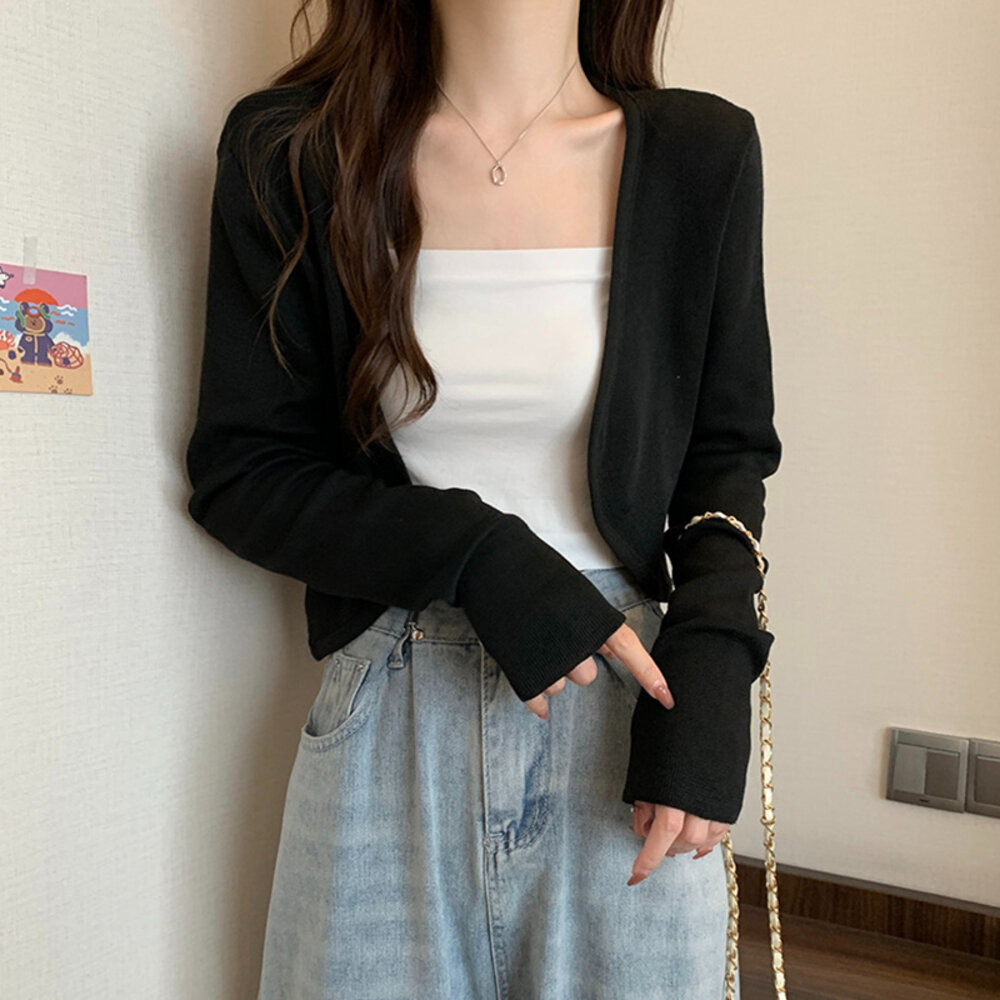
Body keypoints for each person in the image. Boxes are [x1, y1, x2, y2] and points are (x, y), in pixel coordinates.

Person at [184, 1, 781, 997]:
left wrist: (715, 672)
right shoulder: (291, 150)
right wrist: (478, 552)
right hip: (392, 709)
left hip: (634, 706)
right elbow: (242, 470)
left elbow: (726, 455)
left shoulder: (701, 153)